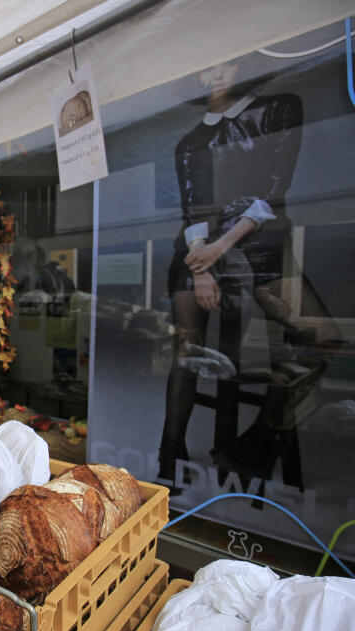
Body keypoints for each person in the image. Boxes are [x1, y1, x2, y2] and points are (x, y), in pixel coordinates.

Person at [157, 57, 303, 488]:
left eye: (226, 63)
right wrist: (203, 266)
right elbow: (193, 208)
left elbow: (274, 191)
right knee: (187, 346)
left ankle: (255, 441)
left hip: (257, 247)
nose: (215, 73)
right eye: (206, 67)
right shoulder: (190, 141)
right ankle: (171, 449)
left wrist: (223, 247)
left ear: (241, 67)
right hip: (199, 251)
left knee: (313, 340)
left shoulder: (278, 110)